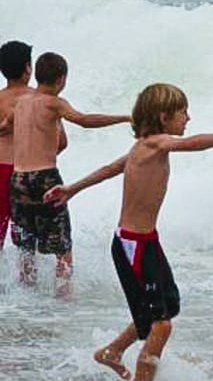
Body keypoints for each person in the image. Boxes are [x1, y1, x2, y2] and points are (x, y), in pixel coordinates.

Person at [44, 83, 213, 381]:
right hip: (133, 245)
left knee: (167, 308)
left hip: (145, 241)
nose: (188, 118)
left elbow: (109, 169)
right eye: (183, 112)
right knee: (161, 325)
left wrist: (71, 189)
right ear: (164, 117)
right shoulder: (156, 144)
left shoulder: (141, 148)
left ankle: (112, 351)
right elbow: (193, 143)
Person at [8, 52, 129, 295]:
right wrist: (125, 118)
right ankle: (63, 299)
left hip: (18, 178)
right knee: (62, 248)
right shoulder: (54, 102)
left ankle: (25, 297)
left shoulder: (21, 102)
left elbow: (6, 124)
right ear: (61, 78)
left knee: (25, 246)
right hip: (45, 178)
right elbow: (84, 120)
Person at [0, 41, 36, 249]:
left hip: (1, 168)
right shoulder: (40, 99)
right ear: (27, 68)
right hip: (28, 170)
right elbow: (61, 142)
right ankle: (27, 272)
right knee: (26, 240)